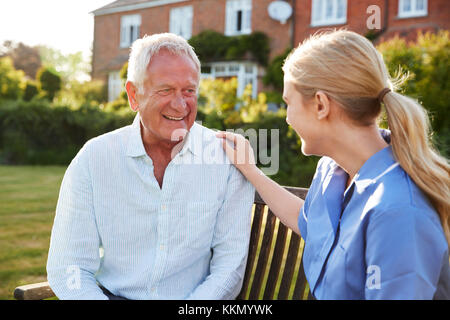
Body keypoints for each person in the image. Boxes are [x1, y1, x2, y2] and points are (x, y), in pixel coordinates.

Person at [217, 29, 450, 300]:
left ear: (320, 105)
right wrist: (250, 170)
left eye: (288, 103)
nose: (288, 118)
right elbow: (307, 221)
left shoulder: (398, 211)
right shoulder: (332, 169)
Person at [46, 33, 255, 300]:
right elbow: (69, 266)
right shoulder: (94, 158)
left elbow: (230, 267)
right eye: (165, 90)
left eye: (189, 91)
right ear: (134, 95)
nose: (180, 104)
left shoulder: (226, 159)